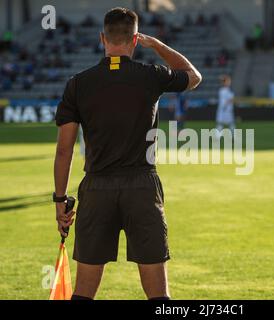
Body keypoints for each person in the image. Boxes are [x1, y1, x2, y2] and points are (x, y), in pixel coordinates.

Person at [53, 7, 202, 301]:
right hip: (141, 188)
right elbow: (194, 76)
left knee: (83, 293)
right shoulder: (151, 75)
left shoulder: (78, 83)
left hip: (96, 189)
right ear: (135, 40)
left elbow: (64, 149)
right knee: (159, 296)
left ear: (102, 38)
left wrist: (60, 200)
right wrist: (157, 45)